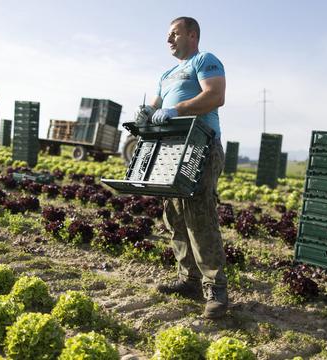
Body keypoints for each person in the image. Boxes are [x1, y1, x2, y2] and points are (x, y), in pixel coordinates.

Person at [134, 16, 227, 319]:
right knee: (174, 214)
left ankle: (215, 289)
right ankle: (188, 280)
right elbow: (157, 103)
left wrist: (176, 110)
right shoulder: (167, 73)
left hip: (200, 145)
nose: (169, 40)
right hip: (171, 147)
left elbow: (215, 96)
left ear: (191, 34)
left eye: (174, 34)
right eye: (168, 35)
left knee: (199, 214)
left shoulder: (204, 60)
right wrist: (148, 112)